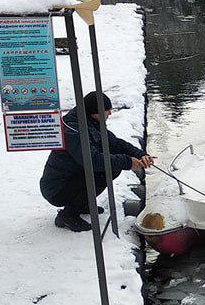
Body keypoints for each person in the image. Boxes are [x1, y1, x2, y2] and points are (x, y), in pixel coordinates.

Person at [41, 91, 154, 232]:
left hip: (73, 176)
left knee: (111, 168)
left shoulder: (90, 121)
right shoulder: (74, 130)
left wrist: (140, 154)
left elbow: (115, 143)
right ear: (96, 112)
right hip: (57, 188)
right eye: (107, 110)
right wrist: (127, 162)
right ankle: (68, 215)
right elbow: (92, 160)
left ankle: (81, 204)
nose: (110, 114)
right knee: (106, 169)